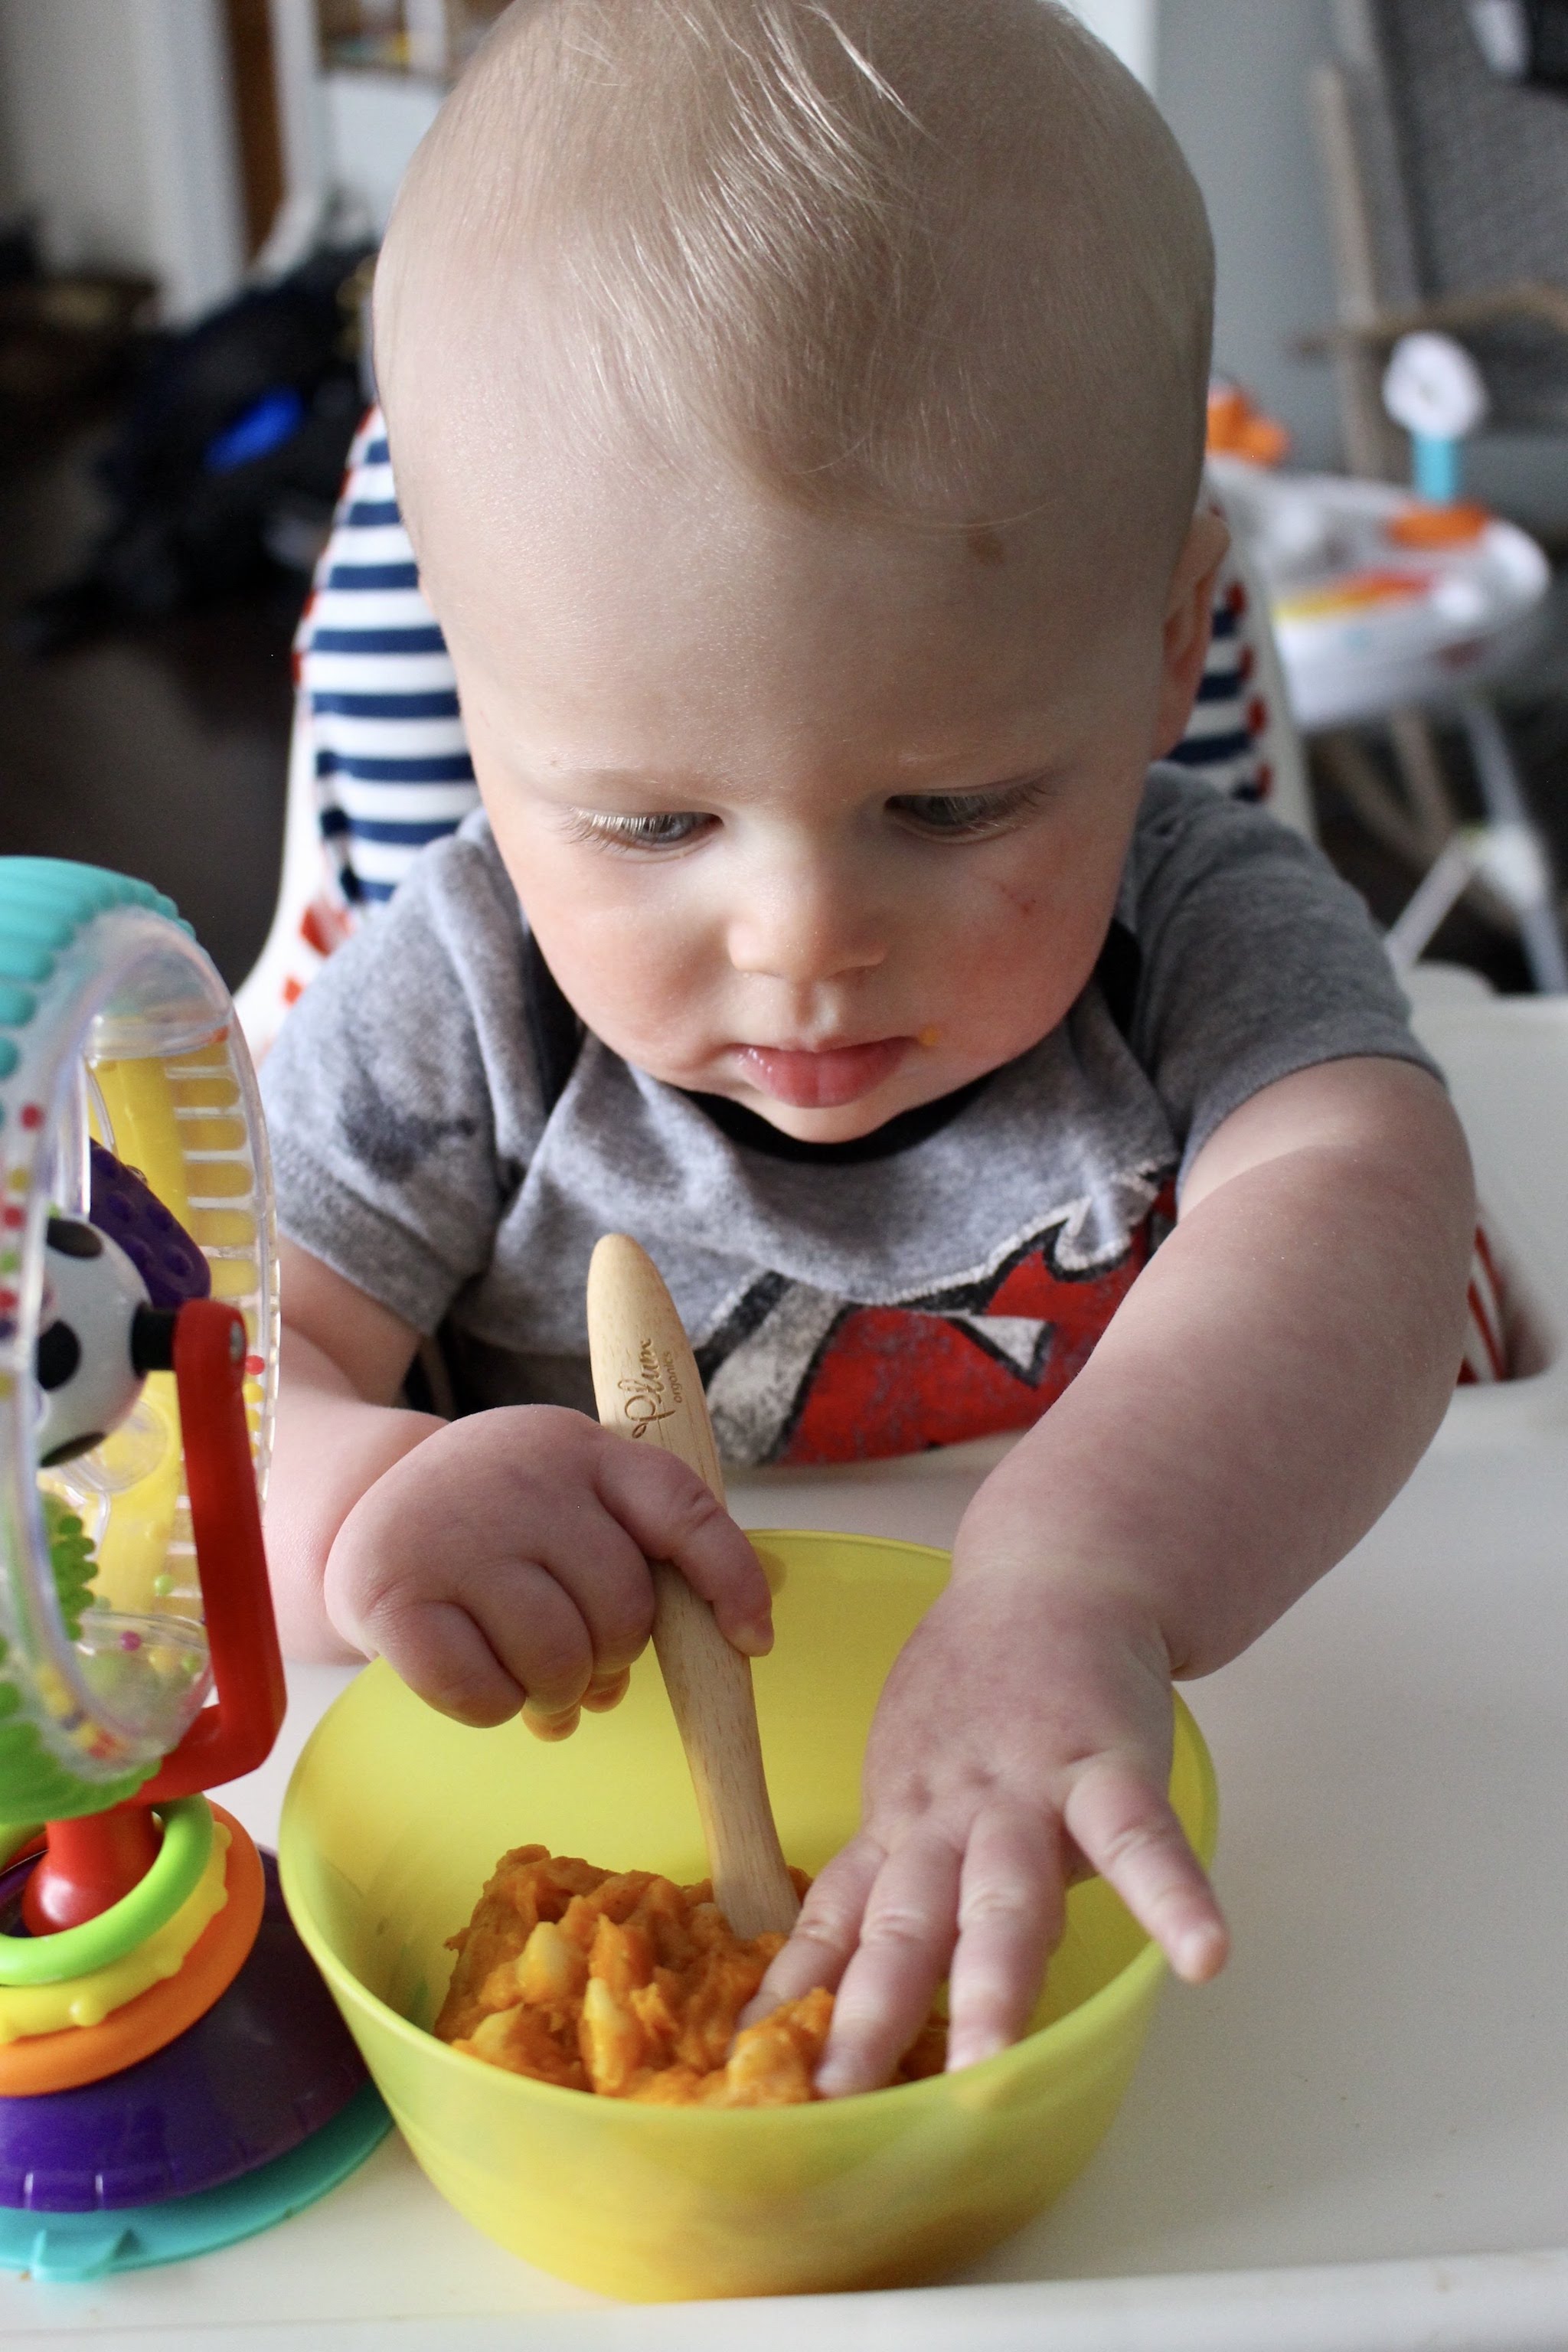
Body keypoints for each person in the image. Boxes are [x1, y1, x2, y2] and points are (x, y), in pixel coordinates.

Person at [260, 0, 1474, 2099]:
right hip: (581, 1804)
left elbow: (1361, 1206)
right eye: (648, 822)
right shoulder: (454, 1004)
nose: (802, 938)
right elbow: (186, 1401)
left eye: (954, 808)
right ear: (479, 700)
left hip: (1137, 1768)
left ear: (1167, 647)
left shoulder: (1196, 931)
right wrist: (363, 1511)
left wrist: (1094, 1567)